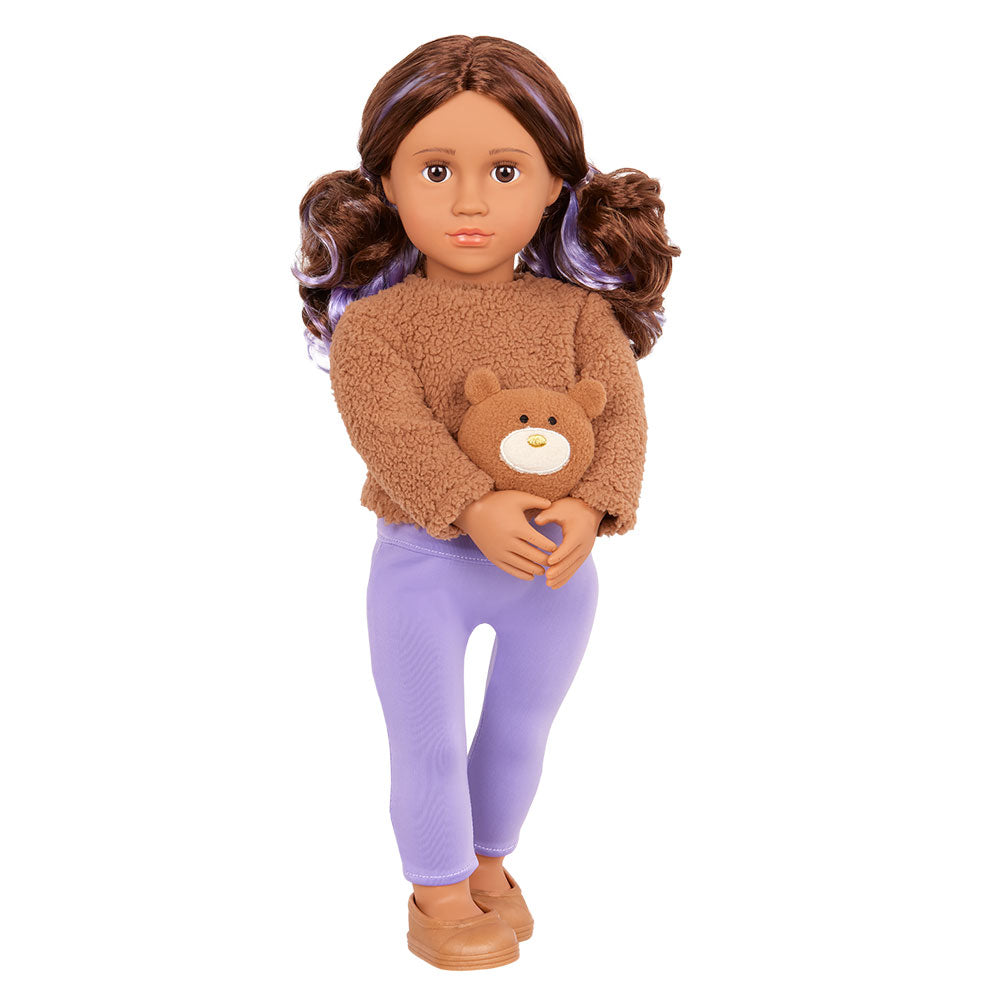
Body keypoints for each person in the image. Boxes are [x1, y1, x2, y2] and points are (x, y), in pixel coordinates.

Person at [293, 34, 679, 970]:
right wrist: (471, 506)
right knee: (426, 738)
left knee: (519, 731)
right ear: (387, 182)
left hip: (555, 566)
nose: (470, 202)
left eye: (504, 171)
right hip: (424, 568)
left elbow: (623, 416)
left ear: (554, 186)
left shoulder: (580, 314)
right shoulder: (375, 328)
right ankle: (436, 892)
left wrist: (594, 506)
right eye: (437, 170)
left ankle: (488, 864)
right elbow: (391, 431)